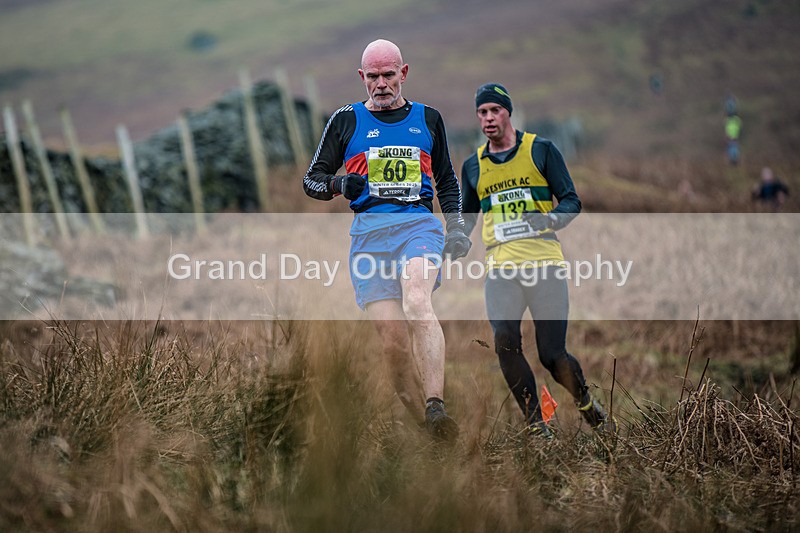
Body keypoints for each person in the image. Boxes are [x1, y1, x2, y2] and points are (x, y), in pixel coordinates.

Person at [303, 39, 471, 441]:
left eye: (389, 75)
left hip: (418, 227)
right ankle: (430, 431)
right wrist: (340, 182)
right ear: (362, 78)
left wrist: (458, 227)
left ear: (404, 74)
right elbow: (312, 180)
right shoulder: (345, 120)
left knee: (416, 299)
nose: (381, 84)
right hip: (368, 238)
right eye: (373, 76)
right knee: (393, 346)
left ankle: (436, 404)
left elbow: (446, 180)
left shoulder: (429, 119)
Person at [461, 83, 612, 438]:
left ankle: (586, 403)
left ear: (508, 112)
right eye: (482, 113)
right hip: (501, 269)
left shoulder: (541, 150)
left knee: (551, 354)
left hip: (544, 263)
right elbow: (465, 219)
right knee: (505, 342)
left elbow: (571, 201)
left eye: (494, 110)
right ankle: (537, 426)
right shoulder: (473, 166)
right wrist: (450, 241)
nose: (488, 118)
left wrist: (548, 219)